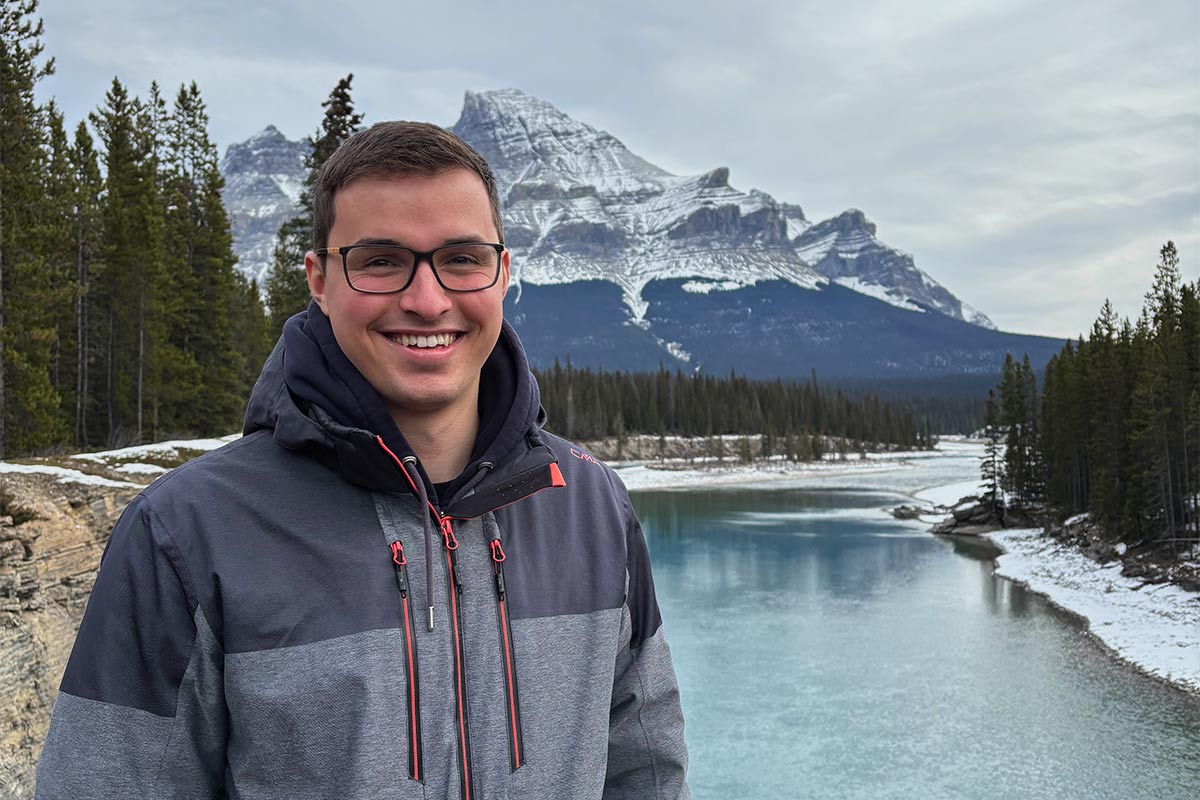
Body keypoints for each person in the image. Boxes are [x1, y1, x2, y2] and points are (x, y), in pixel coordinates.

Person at [37, 122, 690, 799]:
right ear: (319, 279)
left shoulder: (590, 505)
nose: (427, 299)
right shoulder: (184, 531)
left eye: (462, 259)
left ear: (503, 274)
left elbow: (645, 771)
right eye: (380, 261)